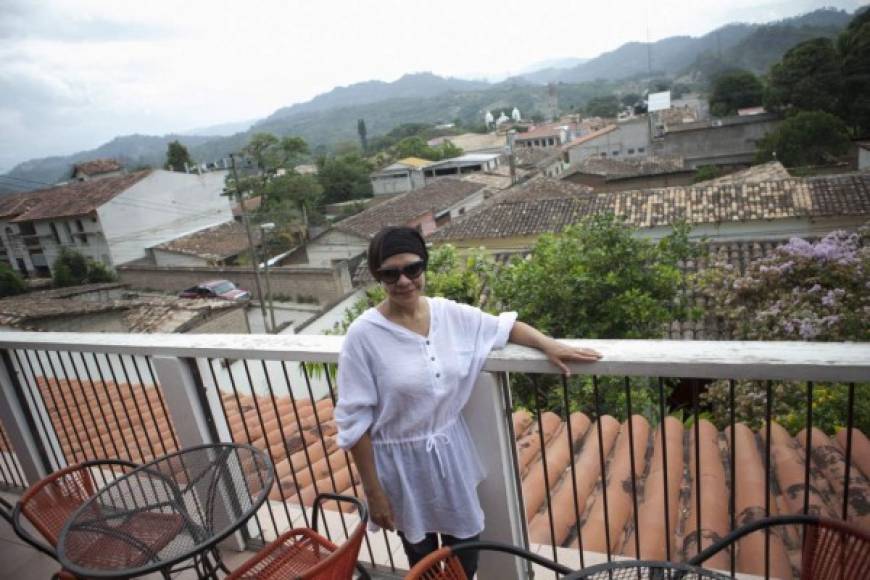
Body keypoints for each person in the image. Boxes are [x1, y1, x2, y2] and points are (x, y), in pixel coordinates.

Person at [335, 226, 601, 577]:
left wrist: (549, 344)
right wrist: (374, 492)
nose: (403, 281)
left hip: (451, 458)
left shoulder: (448, 314)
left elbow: (505, 328)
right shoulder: (363, 336)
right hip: (401, 470)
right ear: (377, 277)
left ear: (424, 267)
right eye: (390, 273)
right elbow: (354, 423)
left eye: (412, 269)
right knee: (423, 560)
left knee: (466, 551)